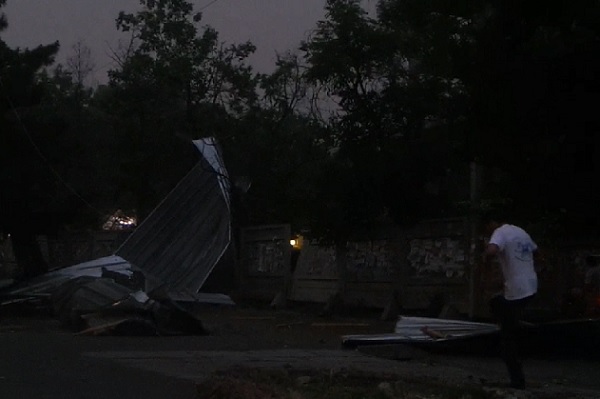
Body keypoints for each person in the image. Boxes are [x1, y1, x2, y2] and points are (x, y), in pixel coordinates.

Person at [481, 210, 539, 389]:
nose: (488, 233)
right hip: (531, 285)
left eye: (487, 229)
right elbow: (536, 252)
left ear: (492, 222)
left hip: (517, 290)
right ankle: (513, 329)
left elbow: (491, 251)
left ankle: (517, 381)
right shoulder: (521, 232)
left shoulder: (500, 232)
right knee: (502, 309)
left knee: (507, 339)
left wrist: (485, 264)